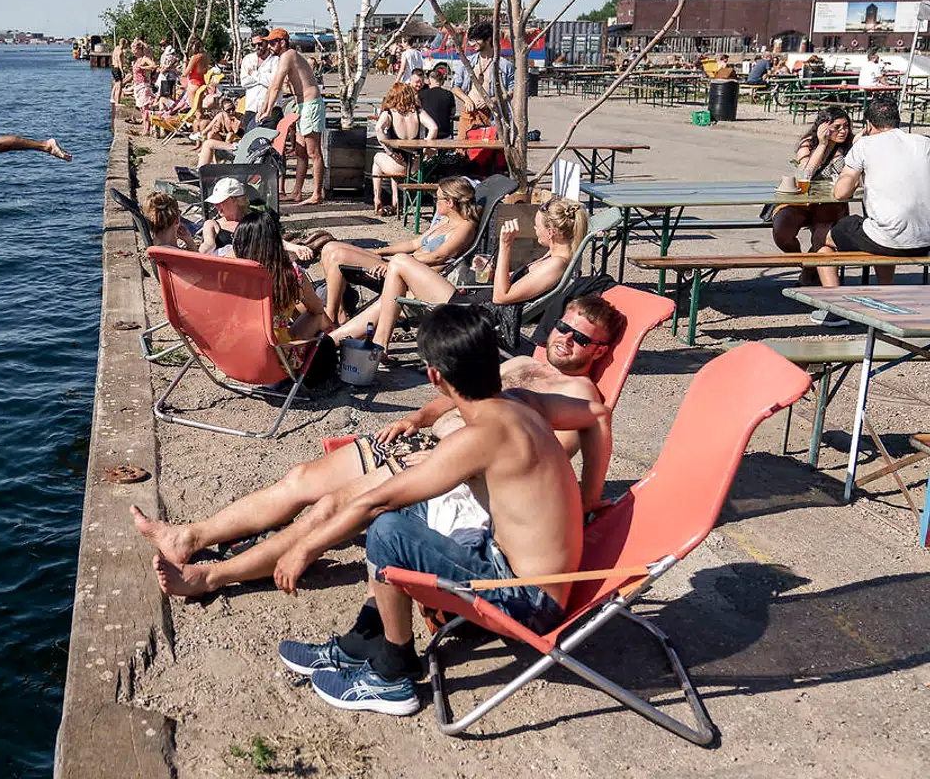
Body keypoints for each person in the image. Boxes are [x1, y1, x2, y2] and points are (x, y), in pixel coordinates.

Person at [132, 296, 625, 599]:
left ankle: (212, 576)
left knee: (331, 507)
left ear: (600, 351)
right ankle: (191, 536)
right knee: (302, 478)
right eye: (563, 326)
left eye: (581, 338)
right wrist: (418, 416)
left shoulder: (579, 394)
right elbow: (460, 393)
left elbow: (546, 454)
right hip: (421, 443)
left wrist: (588, 498)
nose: (565, 339)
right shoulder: (522, 364)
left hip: (446, 469)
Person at [275, 303, 611, 716]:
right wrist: (589, 497)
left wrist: (305, 548)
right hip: (524, 570)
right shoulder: (524, 402)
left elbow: (377, 500)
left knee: (386, 529)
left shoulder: (479, 438)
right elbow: (597, 414)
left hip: (527, 602)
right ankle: (366, 637)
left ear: (435, 377)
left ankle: (393, 674)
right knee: (417, 514)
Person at [331, 196, 588, 352]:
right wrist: (494, 268)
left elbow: (501, 297)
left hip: (481, 319)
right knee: (394, 291)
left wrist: (505, 246)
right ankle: (332, 341)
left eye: (538, 227)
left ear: (552, 233)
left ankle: (376, 346)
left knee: (399, 263)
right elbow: (507, 287)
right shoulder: (550, 258)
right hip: (476, 304)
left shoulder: (555, 264)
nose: (535, 230)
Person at [811, 96, 930, 321]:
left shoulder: (865, 145)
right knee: (880, 225)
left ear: (868, 125)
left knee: (822, 235)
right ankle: (887, 294)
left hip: (888, 237)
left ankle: (834, 309)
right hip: (925, 238)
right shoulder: (924, 143)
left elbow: (840, 193)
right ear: (898, 121)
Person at [320, 178, 480, 323]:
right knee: (329, 248)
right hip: (402, 266)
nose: (435, 202)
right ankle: (338, 313)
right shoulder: (445, 221)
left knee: (338, 255)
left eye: (437, 199)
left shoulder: (465, 226)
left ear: (450, 202)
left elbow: (439, 256)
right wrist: (380, 252)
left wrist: (397, 264)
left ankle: (331, 317)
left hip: (410, 278)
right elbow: (413, 243)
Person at [231, 210, 332, 366]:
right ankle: (337, 341)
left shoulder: (229, 272)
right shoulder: (291, 275)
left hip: (235, 353)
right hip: (276, 360)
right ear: (276, 242)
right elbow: (317, 309)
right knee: (317, 315)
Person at [770, 106, 855, 272]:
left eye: (846, 126)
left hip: (831, 203)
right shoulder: (808, 144)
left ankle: (809, 271)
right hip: (802, 200)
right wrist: (822, 145)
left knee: (822, 238)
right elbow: (805, 173)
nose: (843, 131)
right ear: (823, 127)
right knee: (782, 232)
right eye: (837, 127)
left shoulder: (850, 148)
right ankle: (802, 262)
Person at [259, 28, 327, 205]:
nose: (270, 45)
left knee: (314, 152)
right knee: (300, 151)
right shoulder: (284, 58)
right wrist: (264, 108)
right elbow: (273, 86)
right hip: (302, 105)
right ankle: (297, 192)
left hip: (311, 104)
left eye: (273, 42)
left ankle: (317, 194)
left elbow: (276, 87)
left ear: (282, 42)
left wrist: (267, 112)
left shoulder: (288, 55)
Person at [198, 177, 314, 261]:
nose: (216, 206)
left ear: (235, 200)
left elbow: (271, 240)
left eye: (221, 202)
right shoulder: (212, 224)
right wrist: (200, 253)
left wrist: (296, 248)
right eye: (215, 202)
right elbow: (209, 243)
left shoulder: (254, 221)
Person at [371, 82, 439, 215]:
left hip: (398, 165)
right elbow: (434, 127)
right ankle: (395, 200)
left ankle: (377, 198)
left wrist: (389, 151)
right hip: (416, 165)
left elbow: (378, 128)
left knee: (377, 158)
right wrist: (425, 149)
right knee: (391, 162)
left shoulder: (389, 113)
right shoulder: (418, 112)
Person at [452, 23, 514, 137]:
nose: (473, 44)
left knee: (490, 152)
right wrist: (467, 100)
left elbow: (511, 92)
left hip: (493, 116)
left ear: (488, 39)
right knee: (463, 151)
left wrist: (492, 101)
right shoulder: (467, 63)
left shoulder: (505, 65)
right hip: (469, 114)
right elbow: (455, 87)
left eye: (477, 40)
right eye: (472, 40)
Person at [194, 96, 243, 168]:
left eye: (233, 109)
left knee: (229, 135)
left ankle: (224, 159)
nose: (231, 112)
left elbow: (237, 132)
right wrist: (207, 132)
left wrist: (236, 121)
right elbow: (210, 126)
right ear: (223, 110)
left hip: (236, 141)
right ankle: (215, 162)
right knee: (210, 134)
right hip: (225, 138)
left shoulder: (239, 117)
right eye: (228, 110)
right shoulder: (221, 116)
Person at [418, 66, 458, 139]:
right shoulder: (449, 94)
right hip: (445, 135)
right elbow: (453, 112)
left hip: (428, 134)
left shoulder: (422, 94)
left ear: (429, 81)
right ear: (442, 82)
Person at [131, 39, 159, 135]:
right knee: (142, 109)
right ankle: (145, 128)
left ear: (139, 49)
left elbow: (154, 66)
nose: (133, 51)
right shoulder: (137, 60)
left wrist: (143, 68)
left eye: (134, 49)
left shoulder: (143, 59)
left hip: (143, 86)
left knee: (145, 108)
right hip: (138, 86)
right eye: (132, 49)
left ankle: (146, 130)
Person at [110, 38, 127, 106]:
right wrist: (122, 71)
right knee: (119, 86)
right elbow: (119, 61)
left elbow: (113, 57)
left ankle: (112, 98)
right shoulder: (120, 51)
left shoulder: (116, 48)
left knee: (116, 84)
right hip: (117, 68)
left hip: (113, 67)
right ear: (124, 43)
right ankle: (117, 102)